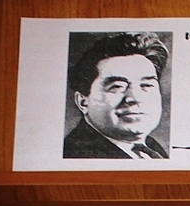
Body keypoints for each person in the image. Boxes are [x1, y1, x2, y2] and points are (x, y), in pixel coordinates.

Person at [64, 32, 170, 160]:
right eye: (117, 86)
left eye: (146, 85)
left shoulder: (152, 147)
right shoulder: (76, 154)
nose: (135, 98)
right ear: (83, 102)